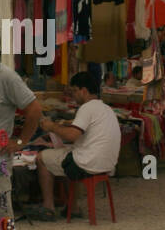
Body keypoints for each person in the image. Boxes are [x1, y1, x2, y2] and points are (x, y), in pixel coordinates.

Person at [29, 71, 121, 220]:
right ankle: (74, 207)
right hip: (107, 163)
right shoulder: (106, 109)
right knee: (66, 155)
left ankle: (48, 207)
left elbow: (72, 136)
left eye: (74, 91)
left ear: (83, 91)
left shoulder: (87, 108)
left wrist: (51, 127)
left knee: (42, 158)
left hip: (89, 163)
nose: (73, 95)